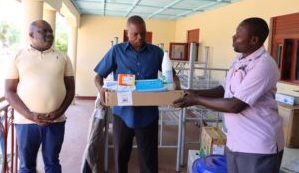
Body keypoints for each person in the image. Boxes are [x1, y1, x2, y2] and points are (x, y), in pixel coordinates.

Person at [174, 17, 284, 173]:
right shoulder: (239, 59)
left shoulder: (264, 65)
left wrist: (196, 100)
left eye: (238, 34)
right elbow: (225, 89)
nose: (233, 37)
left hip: (258, 146)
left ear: (253, 40)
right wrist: (195, 92)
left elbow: (235, 105)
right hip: (235, 141)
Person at [94, 15, 180, 173]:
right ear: (127, 33)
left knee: (149, 160)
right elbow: (98, 77)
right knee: (120, 157)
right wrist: (102, 90)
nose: (140, 37)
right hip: (122, 114)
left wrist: (177, 90)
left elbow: (172, 75)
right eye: (135, 34)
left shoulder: (156, 52)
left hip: (148, 115)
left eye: (143, 33)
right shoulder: (116, 51)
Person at [5, 20, 75, 173]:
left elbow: (70, 89)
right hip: (25, 122)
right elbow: (9, 92)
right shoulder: (18, 56)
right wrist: (30, 115)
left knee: (52, 162)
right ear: (31, 35)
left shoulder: (63, 57)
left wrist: (59, 112)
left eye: (50, 31)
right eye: (44, 31)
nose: (49, 34)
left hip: (56, 120)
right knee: (27, 166)